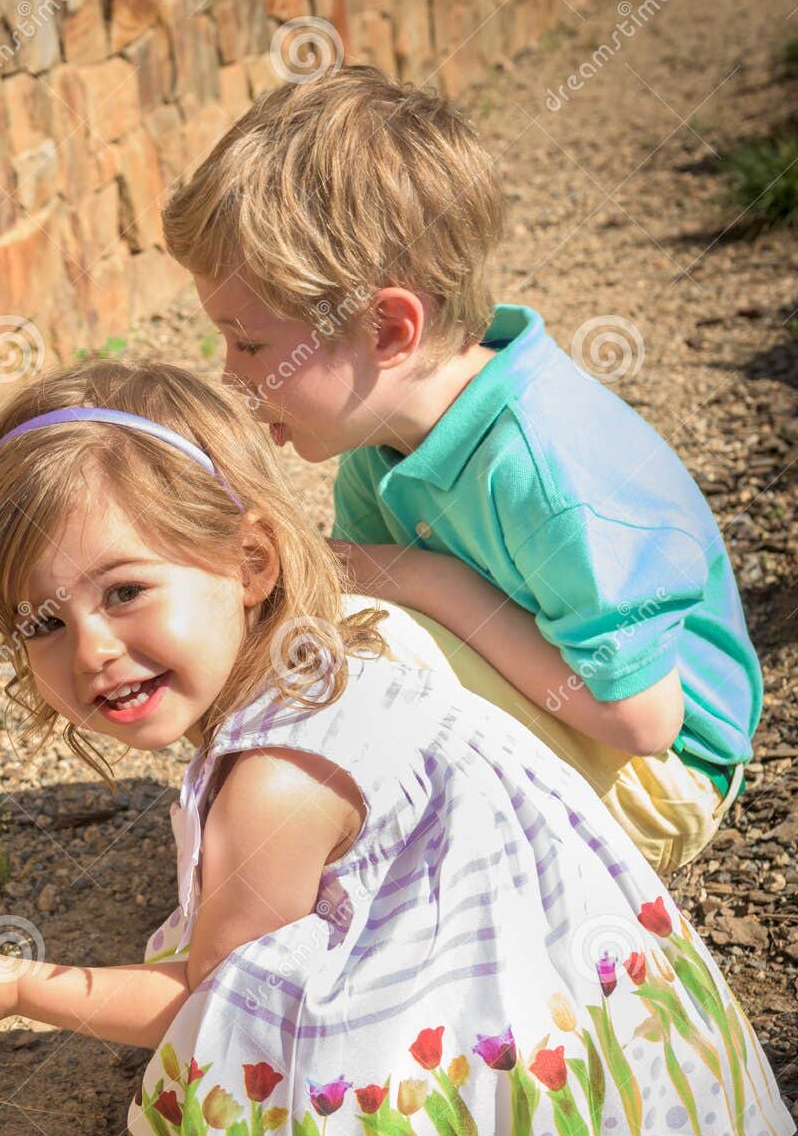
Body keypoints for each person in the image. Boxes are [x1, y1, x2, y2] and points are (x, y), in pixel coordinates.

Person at [0, 359, 793, 1136]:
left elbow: (197, 1004)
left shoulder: (271, 786)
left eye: (125, 591)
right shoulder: (332, 656)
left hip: (477, 1009)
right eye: (44, 622)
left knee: (244, 1062)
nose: (92, 649)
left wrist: (19, 988)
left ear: (249, 564)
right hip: (545, 983)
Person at [161, 65, 765, 879]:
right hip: (584, 737)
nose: (232, 376)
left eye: (252, 344)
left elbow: (643, 719)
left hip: (658, 785)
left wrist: (428, 581)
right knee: (342, 633)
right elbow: (352, 601)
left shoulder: (543, 468)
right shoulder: (384, 439)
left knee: (382, 641)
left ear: (386, 329)